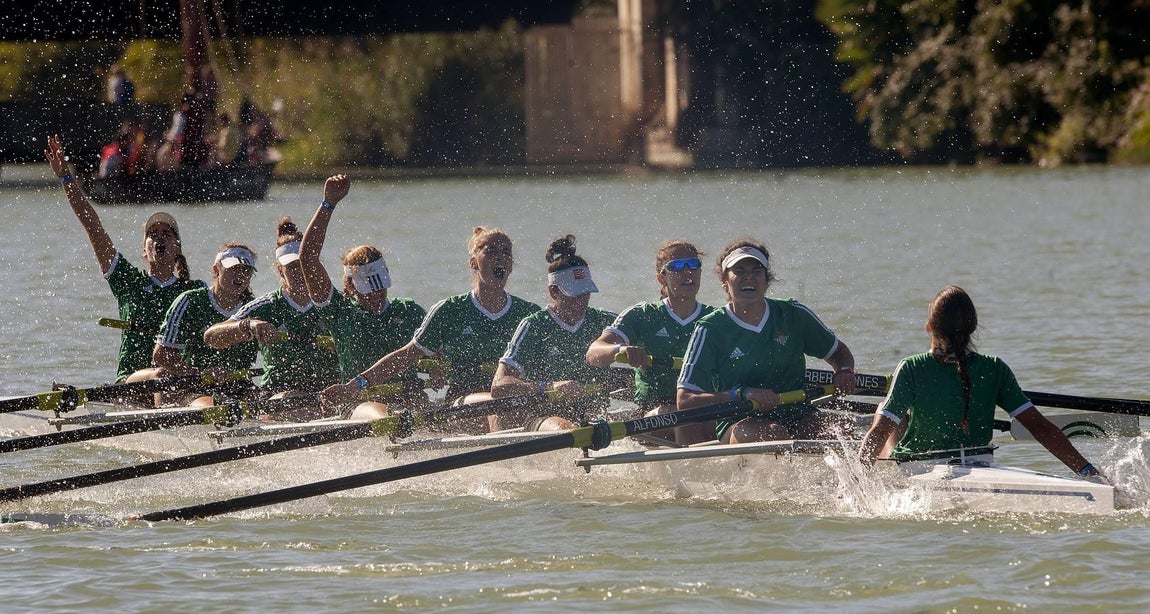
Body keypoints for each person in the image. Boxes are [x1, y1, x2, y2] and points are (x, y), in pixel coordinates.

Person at [857, 286, 1106, 480]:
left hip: (918, 468)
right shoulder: (994, 368)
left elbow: (878, 432)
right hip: (981, 461)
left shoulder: (911, 367)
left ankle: (885, 469)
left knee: (885, 410)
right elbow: (1040, 427)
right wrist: (1089, 473)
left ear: (929, 327)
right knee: (897, 414)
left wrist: (855, 486)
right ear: (973, 327)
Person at [321, 226, 539, 431]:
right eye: (491, 251)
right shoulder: (449, 311)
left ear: (510, 264)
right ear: (473, 263)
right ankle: (506, 466)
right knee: (502, 404)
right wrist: (355, 385)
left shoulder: (529, 314)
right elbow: (405, 356)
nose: (500, 256)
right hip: (462, 403)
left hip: (513, 399)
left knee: (519, 404)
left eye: (506, 252)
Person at [45, 135, 202, 382]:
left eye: (167, 234)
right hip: (132, 381)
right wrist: (66, 178)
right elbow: (93, 227)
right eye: (152, 234)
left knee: (171, 376)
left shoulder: (194, 291)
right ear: (144, 249)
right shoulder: (127, 279)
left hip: (180, 380)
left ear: (178, 248)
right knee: (162, 374)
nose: (159, 238)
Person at [677, 238, 857, 443]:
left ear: (766, 280)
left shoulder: (793, 314)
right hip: (740, 420)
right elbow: (685, 401)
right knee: (774, 434)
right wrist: (741, 394)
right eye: (740, 271)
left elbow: (838, 353)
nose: (748, 278)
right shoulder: (710, 329)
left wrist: (844, 371)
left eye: (756, 271)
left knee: (842, 428)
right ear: (725, 283)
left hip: (798, 412)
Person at [298, 175, 428, 419]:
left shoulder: (410, 312)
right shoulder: (339, 311)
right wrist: (328, 204)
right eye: (369, 288)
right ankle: (393, 422)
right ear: (349, 286)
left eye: (381, 286)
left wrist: (440, 364)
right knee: (382, 411)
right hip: (359, 404)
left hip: (410, 398)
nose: (377, 293)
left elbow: (438, 352)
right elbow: (308, 260)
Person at [587, 240, 718, 444]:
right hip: (653, 411)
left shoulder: (715, 319)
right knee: (685, 419)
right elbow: (594, 353)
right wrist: (621, 349)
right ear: (661, 278)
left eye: (693, 265)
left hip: (701, 405)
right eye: (676, 267)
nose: (687, 273)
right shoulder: (643, 315)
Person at [205, 218, 340, 406]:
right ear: (280, 270)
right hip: (280, 392)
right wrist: (249, 325)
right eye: (292, 267)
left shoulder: (334, 304)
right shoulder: (266, 307)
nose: (300, 272)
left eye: (304, 265)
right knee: (300, 403)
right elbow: (211, 337)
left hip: (331, 390)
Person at [491, 235, 617, 431]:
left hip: (595, 414)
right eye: (573, 294)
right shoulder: (534, 326)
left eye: (585, 293)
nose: (581, 301)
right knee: (571, 430)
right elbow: (499, 386)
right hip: (543, 416)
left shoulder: (605, 321)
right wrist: (547, 387)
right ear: (553, 292)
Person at [141, 244, 261, 406]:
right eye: (233, 268)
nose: (240, 275)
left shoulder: (255, 309)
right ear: (215, 270)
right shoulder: (190, 301)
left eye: (246, 270)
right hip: (193, 384)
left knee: (265, 408)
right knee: (215, 406)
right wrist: (199, 373)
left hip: (239, 385)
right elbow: (161, 354)